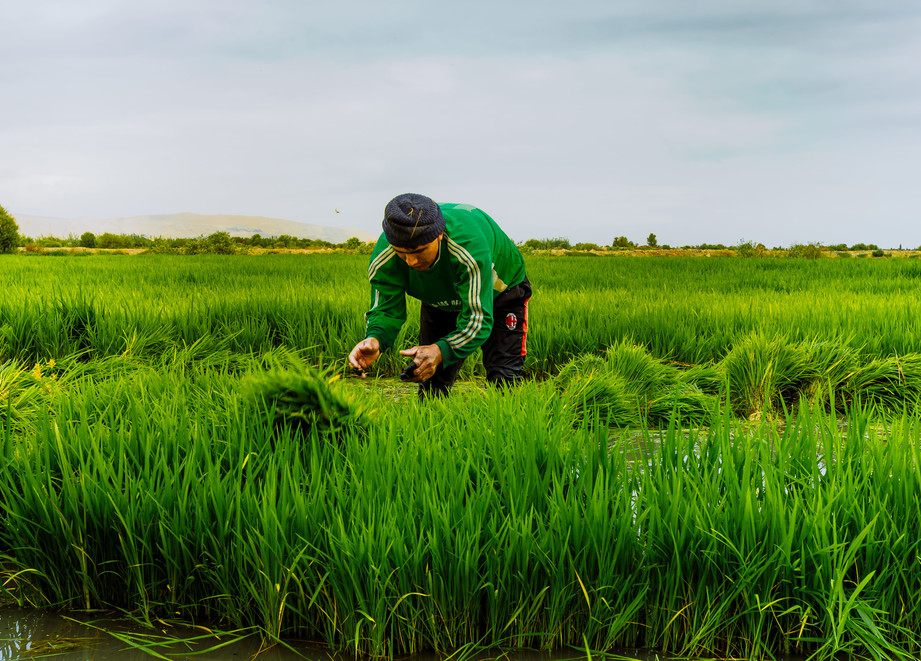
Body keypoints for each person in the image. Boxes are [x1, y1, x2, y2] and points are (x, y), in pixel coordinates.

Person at [348, 193, 532, 397]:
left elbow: (478, 319)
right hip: (439, 299)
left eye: (419, 251)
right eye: (401, 252)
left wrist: (441, 350)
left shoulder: (468, 247)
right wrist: (375, 338)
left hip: (501, 292)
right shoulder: (384, 258)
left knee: (504, 377)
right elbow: (385, 310)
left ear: (439, 235)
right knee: (430, 380)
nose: (411, 262)